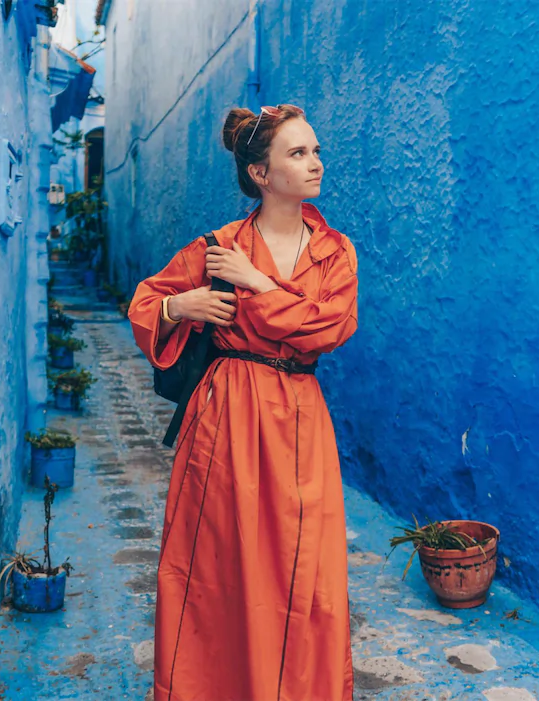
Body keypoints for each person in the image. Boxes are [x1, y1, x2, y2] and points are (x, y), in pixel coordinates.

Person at [129, 103, 358, 701]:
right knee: (218, 564)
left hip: (301, 417)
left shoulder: (335, 252)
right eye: (298, 153)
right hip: (226, 417)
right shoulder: (218, 247)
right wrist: (180, 306)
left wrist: (256, 283)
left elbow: (329, 327)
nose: (316, 163)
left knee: (306, 570)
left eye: (315, 150)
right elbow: (146, 302)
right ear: (261, 173)